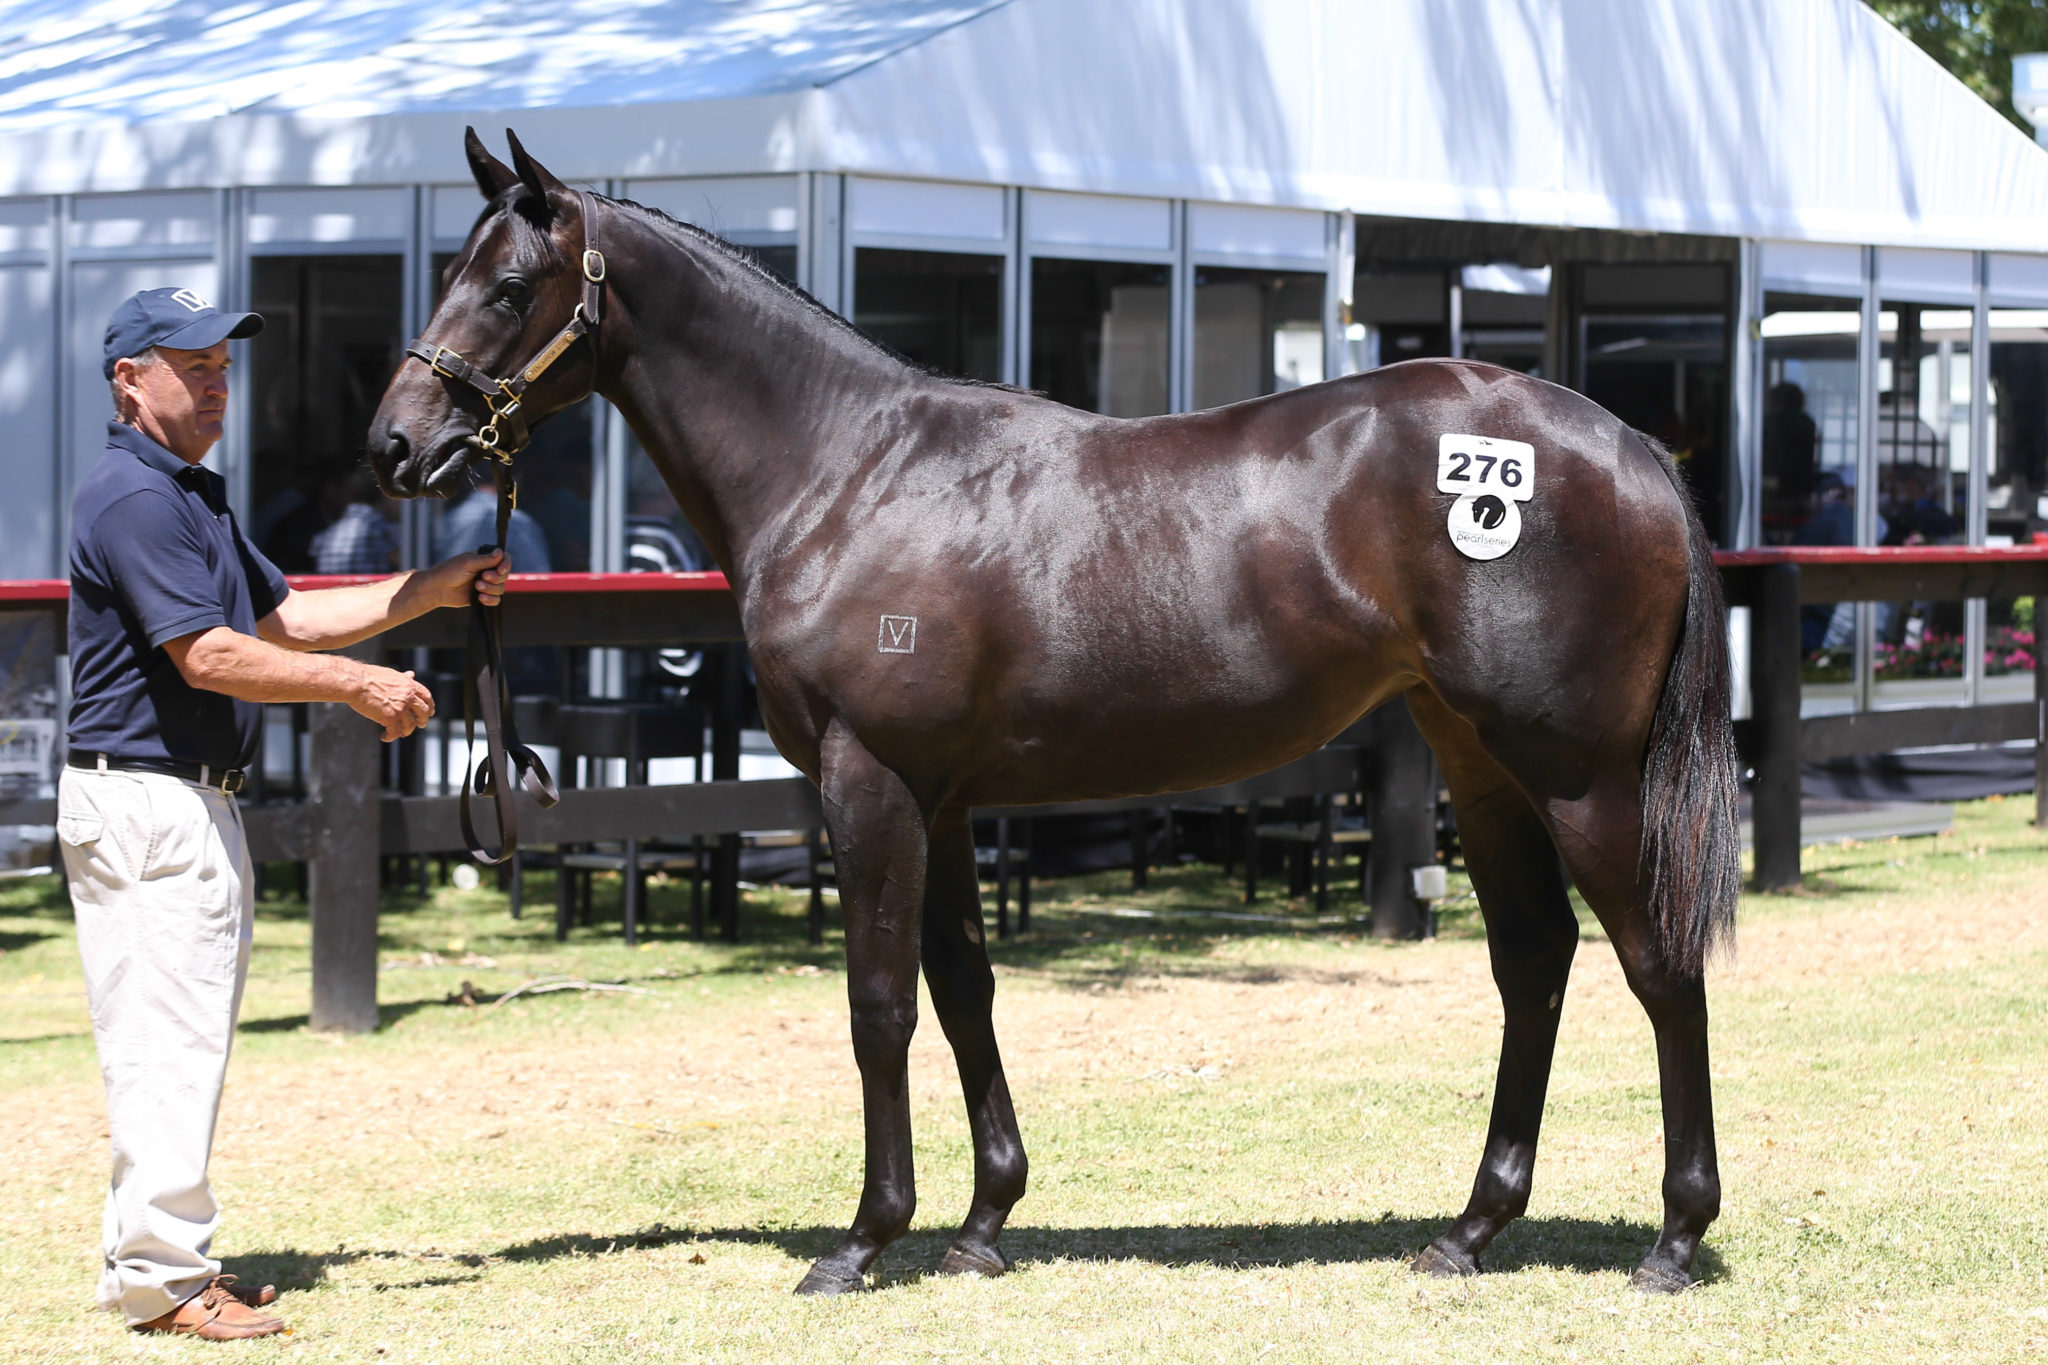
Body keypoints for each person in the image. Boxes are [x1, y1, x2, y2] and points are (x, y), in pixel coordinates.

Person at [59, 287, 508, 1341]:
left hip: (169, 797)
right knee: (166, 1044)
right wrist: (360, 686)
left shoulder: (189, 493)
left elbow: (289, 616)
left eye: (223, 364)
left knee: (171, 1040)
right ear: (130, 380)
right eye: (191, 365)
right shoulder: (133, 499)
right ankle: (166, 1283)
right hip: (148, 797)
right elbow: (207, 655)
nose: (217, 383)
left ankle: (151, 1265)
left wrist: (430, 587)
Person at [309, 465, 402, 574]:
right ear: (385, 495)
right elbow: (412, 565)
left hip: (332, 590)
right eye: (398, 494)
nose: (401, 502)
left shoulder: (327, 533)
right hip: (372, 589)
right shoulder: (386, 532)